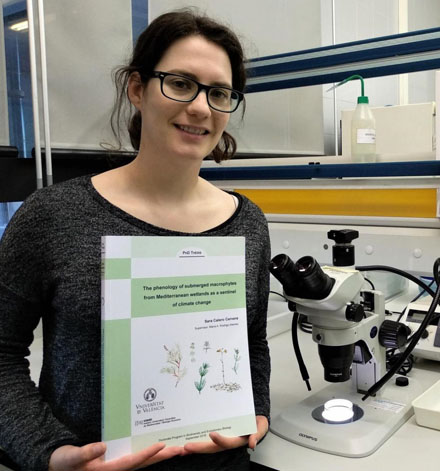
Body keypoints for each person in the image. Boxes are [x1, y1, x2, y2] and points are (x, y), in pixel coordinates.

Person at [0, 10, 270, 471]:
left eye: (220, 93)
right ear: (138, 89)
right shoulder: (54, 215)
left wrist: (256, 412)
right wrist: (50, 452)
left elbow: (252, 343)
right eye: (181, 83)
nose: (202, 108)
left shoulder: (247, 223)